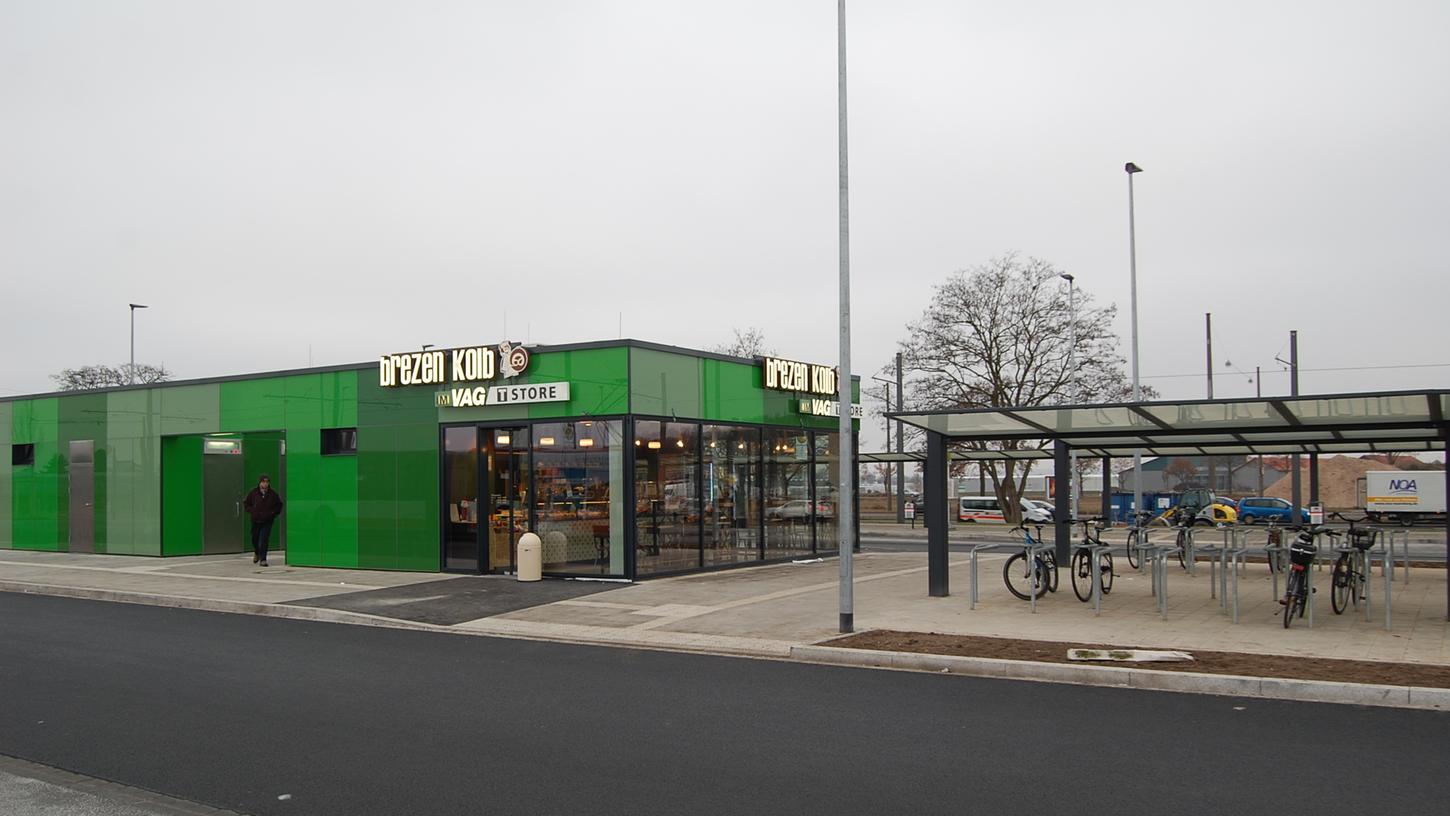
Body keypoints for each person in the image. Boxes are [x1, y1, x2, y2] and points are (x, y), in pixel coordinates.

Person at [243, 474, 284, 567]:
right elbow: (246, 503)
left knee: (264, 539)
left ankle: (263, 559)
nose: (265, 484)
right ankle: (257, 552)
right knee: (255, 538)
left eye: (267, 482)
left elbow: (279, 505)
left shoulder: (273, 494)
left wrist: (272, 514)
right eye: (263, 482)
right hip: (256, 520)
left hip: (267, 521)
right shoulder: (254, 493)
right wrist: (252, 510)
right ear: (260, 483)